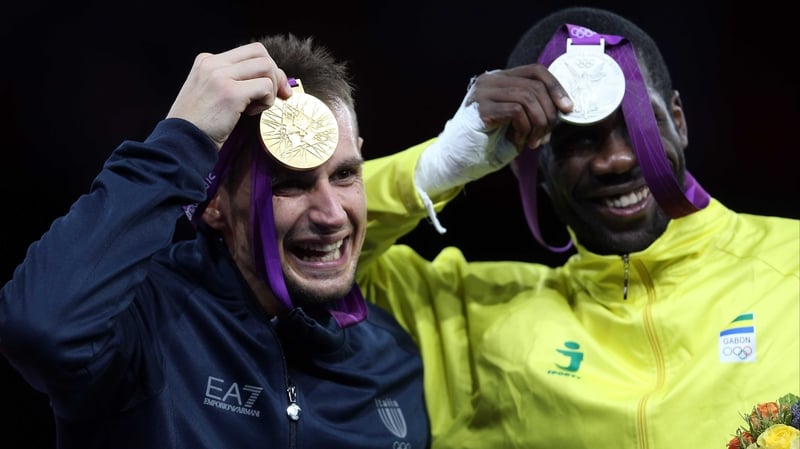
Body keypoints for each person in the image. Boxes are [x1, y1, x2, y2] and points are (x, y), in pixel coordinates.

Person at [356, 6, 800, 448]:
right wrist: (436, 167)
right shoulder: (470, 321)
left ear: (679, 121)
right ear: (528, 164)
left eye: (640, 125)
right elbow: (303, 260)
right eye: (577, 139)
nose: (617, 160)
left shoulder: (791, 263)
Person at [0, 34, 430, 449]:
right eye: (289, 185)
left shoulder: (393, 359)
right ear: (213, 202)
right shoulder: (143, 327)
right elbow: (40, 330)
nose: (332, 214)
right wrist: (180, 140)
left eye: (344, 175)